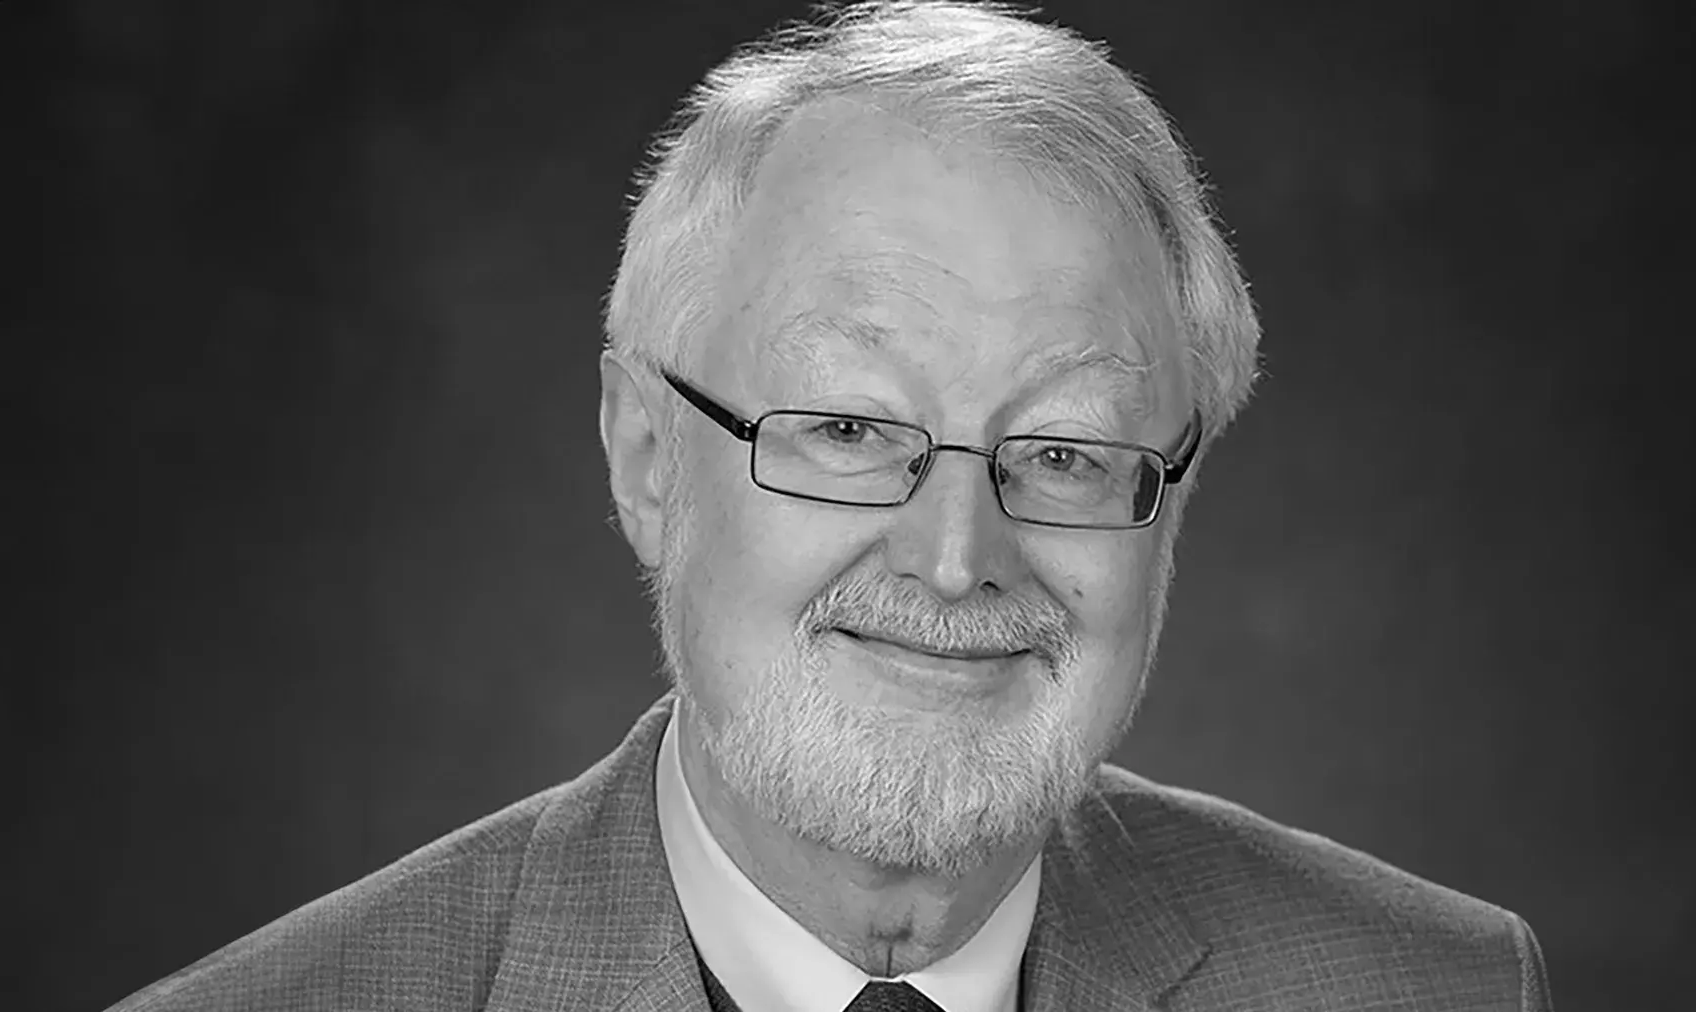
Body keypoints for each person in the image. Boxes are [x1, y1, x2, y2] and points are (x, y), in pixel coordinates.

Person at [111, 3, 1552, 1010]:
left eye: (1060, 452)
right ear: (646, 455)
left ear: (1169, 502)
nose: (953, 556)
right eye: (850, 428)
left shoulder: (1438, 988)